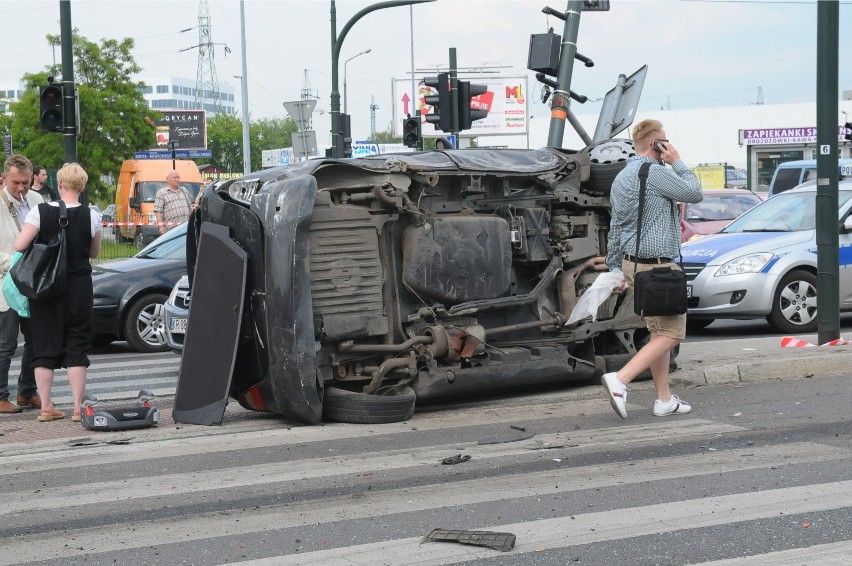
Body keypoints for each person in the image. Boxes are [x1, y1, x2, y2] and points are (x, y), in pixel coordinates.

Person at [601, 119, 703, 419]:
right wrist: (678, 162)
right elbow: (694, 192)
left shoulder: (621, 178)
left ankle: (664, 399)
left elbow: (616, 226)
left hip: (633, 265)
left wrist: (616, 267)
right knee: (672, 334)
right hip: (659, 268)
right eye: (665, 142)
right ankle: (620, 380)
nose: (667, 147)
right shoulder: (657, 173)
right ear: (657, 144)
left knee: (658, 334)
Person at [14, 163, 102, 422]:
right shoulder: (92, 215)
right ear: (82, 187)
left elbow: (20, 245)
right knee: (77, 345)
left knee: (44, 345)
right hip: (79, 287)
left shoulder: (38, 211)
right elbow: (93, 252)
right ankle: (77, 408)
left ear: (60, 184)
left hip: (46, 288)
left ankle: (47, 407)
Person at [0, 155, 44, 414]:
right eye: (16, 183)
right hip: (7, 283)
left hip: (32, 282)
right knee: (5, 343)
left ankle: (26, 391)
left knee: (36, 339)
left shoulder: (36, 200)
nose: (21, 188)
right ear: (5, 178)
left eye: (25, 183)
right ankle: (1, 396)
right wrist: (17, 263)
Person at [154, 170, 194, 235]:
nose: (177, 179)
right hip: (171, 229)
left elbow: (190, 206)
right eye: (174, 178)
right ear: (167, 180)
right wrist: (161, 226)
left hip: (186, 227)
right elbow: (158, 211)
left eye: (178, 177)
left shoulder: (184, 190)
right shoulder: (161, 192)